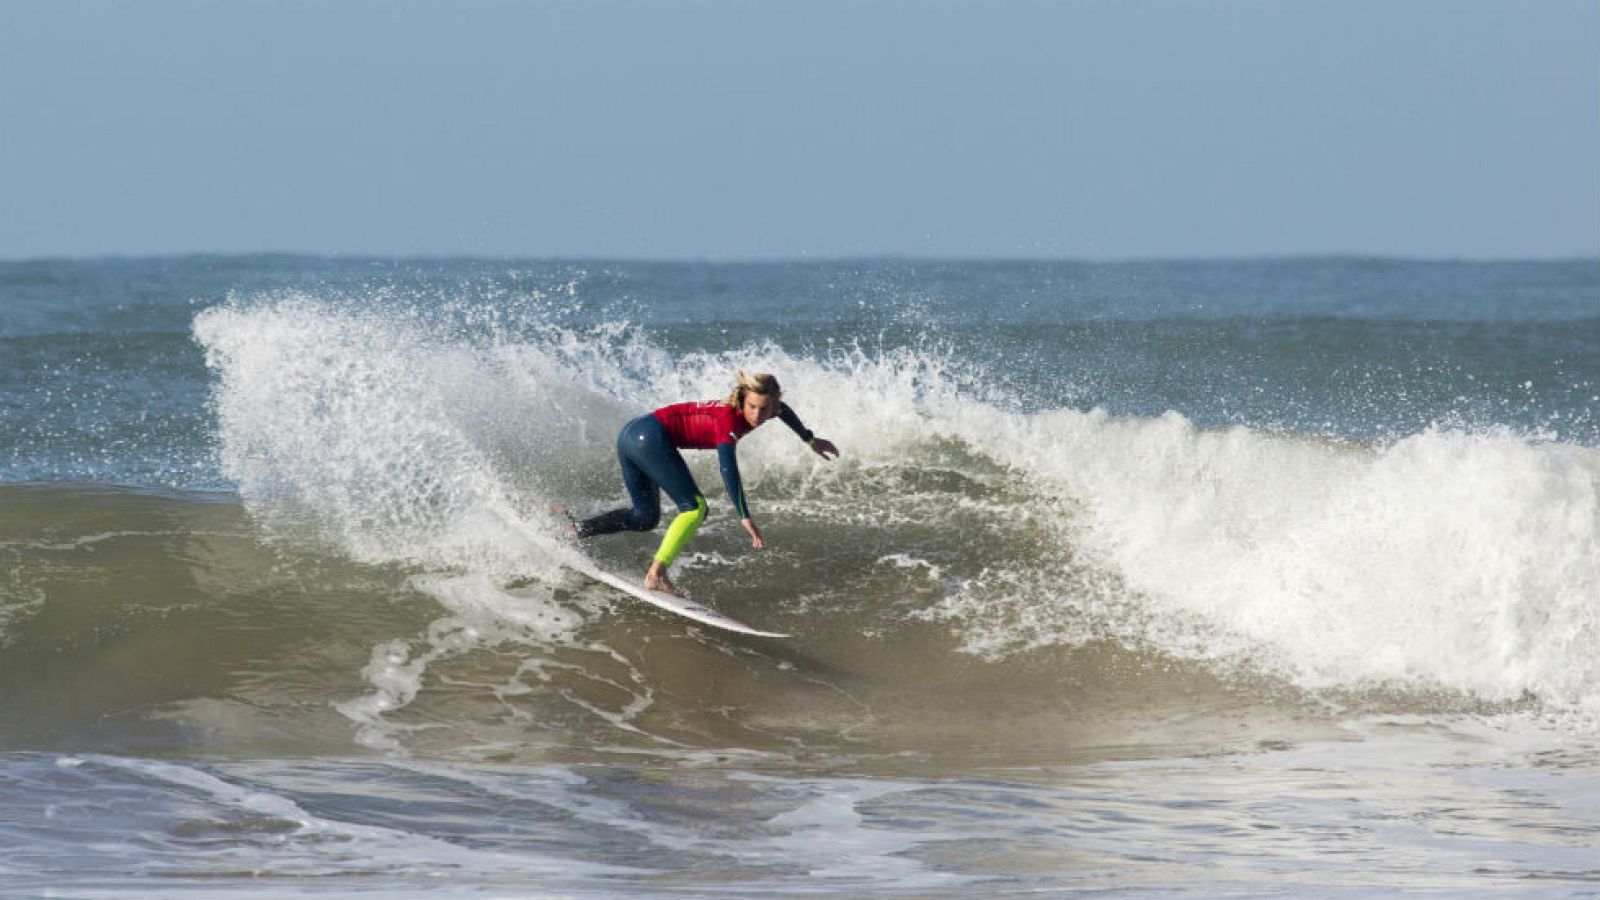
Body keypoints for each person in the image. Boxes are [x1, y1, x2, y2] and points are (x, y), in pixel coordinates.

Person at [572, 371, 839, 596]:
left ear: (773, 406)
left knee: (644, 517)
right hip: (649, 438)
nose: (757, 415)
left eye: (765, 408)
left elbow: (785, 411)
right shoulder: (728, 422)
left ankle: (576, 530)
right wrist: (744, 515)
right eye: (752, 407)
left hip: (633, 433)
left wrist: (810, 439)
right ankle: (656, 575)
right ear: (742, 401)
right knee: (695, 508)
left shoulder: (771, 409)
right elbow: (728, 468)